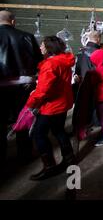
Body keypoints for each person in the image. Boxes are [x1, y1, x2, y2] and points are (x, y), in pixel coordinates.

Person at [25, 36, 75, 181]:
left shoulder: (50, 64)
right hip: (62, 103)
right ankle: (69, 158)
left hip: (51, 106)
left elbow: (43, 90)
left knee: (38, 134)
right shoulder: (63, 61)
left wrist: (31, 103)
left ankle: (49, 167)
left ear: (49, 47)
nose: (40, 48)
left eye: (42, 45)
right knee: (59, 130)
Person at [0, 10, 43, 165]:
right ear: (13, 21)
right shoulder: (26, 37)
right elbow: (39, 60)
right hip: (24, 84)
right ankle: (24, 154)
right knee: (23, 120)